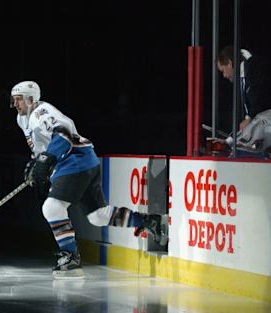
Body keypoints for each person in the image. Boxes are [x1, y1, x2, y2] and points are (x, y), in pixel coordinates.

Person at [10, 81, 168, 279]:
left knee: (51, 207)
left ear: (30, 99)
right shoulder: (21, 118)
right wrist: (37, 163)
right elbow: (42, 147)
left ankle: (71, 256)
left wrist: (46, 159)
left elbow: (65, 132)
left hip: (75, 159)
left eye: (18, 100)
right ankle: (148, 221)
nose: (15, 104)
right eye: (14, 100)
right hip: (83, 159)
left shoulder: (41, 112)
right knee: (98, 216)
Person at [217, 46, 271, 132]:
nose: (224, 76)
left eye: (223, 71)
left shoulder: (256, 68)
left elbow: (260, 96)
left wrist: (249, 118)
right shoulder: (241, 78)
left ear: (230, 64)